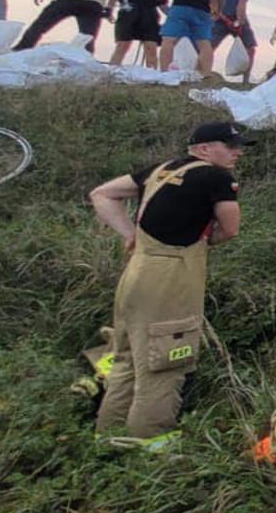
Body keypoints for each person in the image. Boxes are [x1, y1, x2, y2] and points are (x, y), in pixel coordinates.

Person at [87, 122, 250, 450]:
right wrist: (202, 243)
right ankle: (148, 444)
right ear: (204, 149)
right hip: (170, 279)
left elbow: (101, 194)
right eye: (229, 146)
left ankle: (107, 436)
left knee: (127, 360)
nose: (237, 153)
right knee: (165, 362)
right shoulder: (215, 176)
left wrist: (129, 234)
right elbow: (230, 229)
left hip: (135, 272)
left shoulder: (160, 170)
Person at [110, 0, 165, 68]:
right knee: (122, 45)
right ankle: (112, 70)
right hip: (128, 17)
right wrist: (109, 11)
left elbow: (163, 5)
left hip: (149, 19)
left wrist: (172, 16)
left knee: (151, 47)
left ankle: (152, 74)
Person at [209, 0, 258, 82]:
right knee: (209, 46)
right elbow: (213, 2)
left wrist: (240, 22)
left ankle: (246, 79)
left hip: (239, 18)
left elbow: (242, 4)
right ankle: (204, 74)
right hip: (219, 18)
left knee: (250, 47)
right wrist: (221, 17)